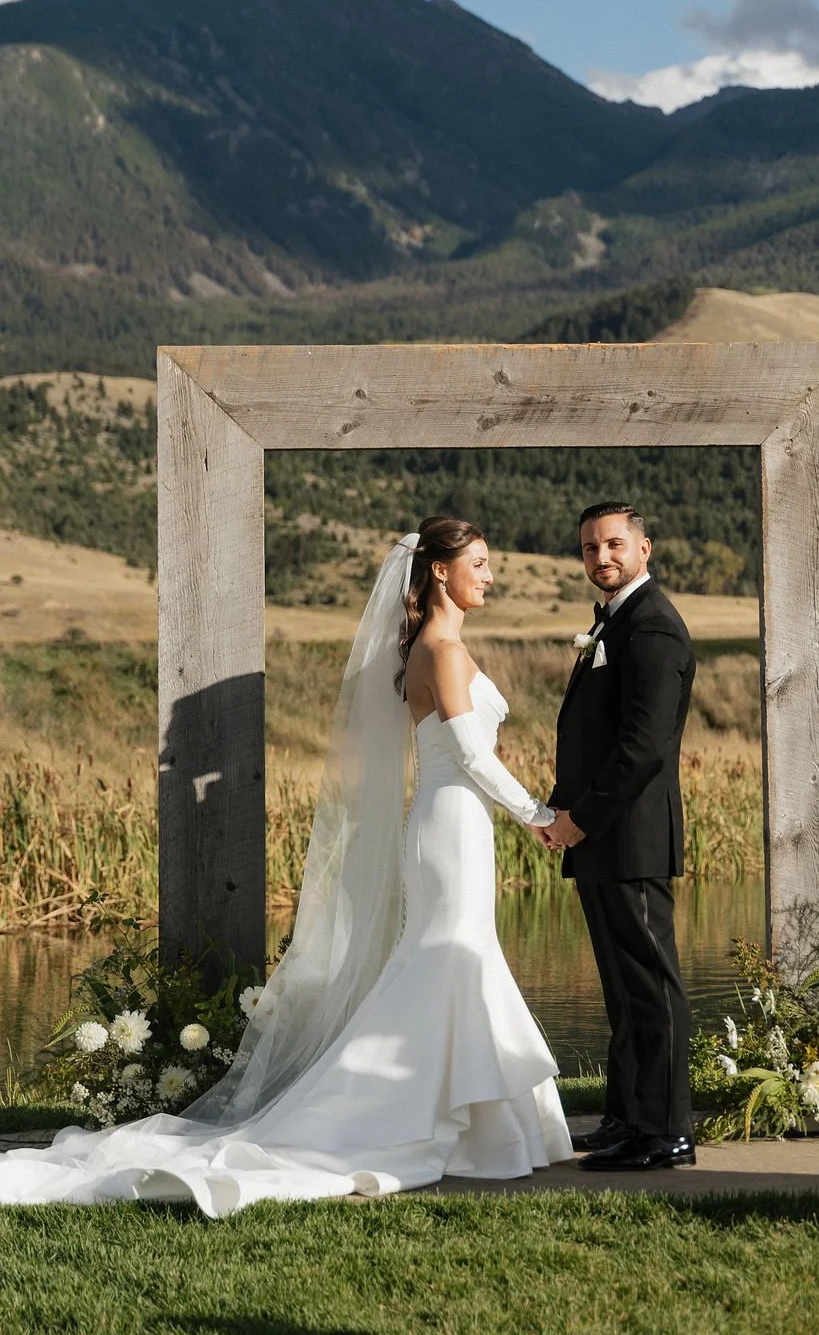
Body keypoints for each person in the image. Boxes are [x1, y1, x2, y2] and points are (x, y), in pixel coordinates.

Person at [0, 518, 572, 1215]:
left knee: (455, 959)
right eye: (478, 563)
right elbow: (475, 757)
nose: (489, 575)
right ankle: (413, 1119)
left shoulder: (433, 646)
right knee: (450, 960)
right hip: (451, 827)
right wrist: (542, 815)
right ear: (442, 573)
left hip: (453, 825)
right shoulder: (444, 651)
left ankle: (480, 1126)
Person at [542, 502, 697, 1171]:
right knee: (620, 986)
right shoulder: (617, 621)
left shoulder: (653, 627)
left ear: (644, 547)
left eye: (613, 544)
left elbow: (644, 748)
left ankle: (666, 1131)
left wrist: (583, 816)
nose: (600, 557)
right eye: (588, 548)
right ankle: (628, 1116)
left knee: (650, 984)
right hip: (600, 836)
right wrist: (559, 809)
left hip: (628, 836)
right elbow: (595, 735)